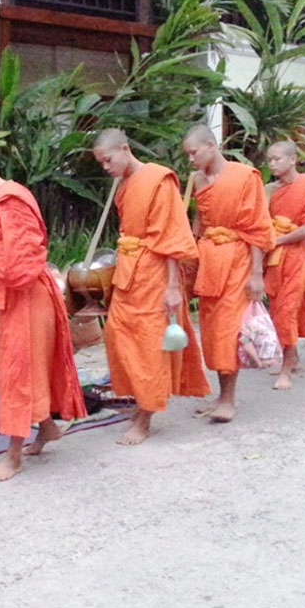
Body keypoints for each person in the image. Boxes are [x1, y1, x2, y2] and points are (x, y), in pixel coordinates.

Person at [0, 150, 86, 481]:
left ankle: (13, 457)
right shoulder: (3, 199)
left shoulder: (10, 201)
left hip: (27, 297)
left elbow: (23, 261)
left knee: (17, 375)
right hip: (21, 296)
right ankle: (48, 429)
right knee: (27, 370)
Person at [91, 129, 210, 445]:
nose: (106, 167)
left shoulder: (158, 179)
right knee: (117, 335)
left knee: (149, 345)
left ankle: (146, 416)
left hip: (156, 273)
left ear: (125, 149)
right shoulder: (125, 185)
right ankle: (139, 399)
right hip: (129, 272)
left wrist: (173, 287)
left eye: (108, 159)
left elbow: (171, 235)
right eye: (101, 163)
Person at [183, 125, 274, 423]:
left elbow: (258, 228)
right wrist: (191, 260)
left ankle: (228, 399)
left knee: (228, 329)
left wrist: (257, 273)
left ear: (211, 145)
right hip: (210, 260)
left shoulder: (245, 177)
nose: (191, 160)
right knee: (210, 329)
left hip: (238, 259)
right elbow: (200, 221)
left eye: (194, 152)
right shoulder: (197, 179)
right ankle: (221, 394)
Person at [262, 141, 305, 390]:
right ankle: (292, 356)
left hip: (297, 254)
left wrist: (280, 239)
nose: (272, 163)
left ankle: (286, 369)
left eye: (277, 158)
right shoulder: (268, 189)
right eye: (269, 159)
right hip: (273, 257)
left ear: (292, 159)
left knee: (287, 309)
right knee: (277, 308)